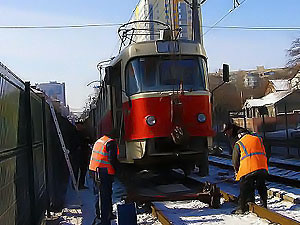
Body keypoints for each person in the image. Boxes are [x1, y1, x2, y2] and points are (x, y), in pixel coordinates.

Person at [223, 122, 268, 214]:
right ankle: (264, 205)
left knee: (244, 188)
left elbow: (235, 160)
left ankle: (242, 208)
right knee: (261, 185)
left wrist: (237, 171)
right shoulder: (258, 139)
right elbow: (267, 150)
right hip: (262, 167)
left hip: (248, 169)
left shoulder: (239, 143)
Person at [89, 129, 120, 225]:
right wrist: (119, 171)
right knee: (104, 196)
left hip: (94, 170)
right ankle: (104, 220)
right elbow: (112, 159)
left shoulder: (100, 140)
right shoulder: (111, 143)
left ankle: (105, 214)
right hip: (103, 172)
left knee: (101, 194)